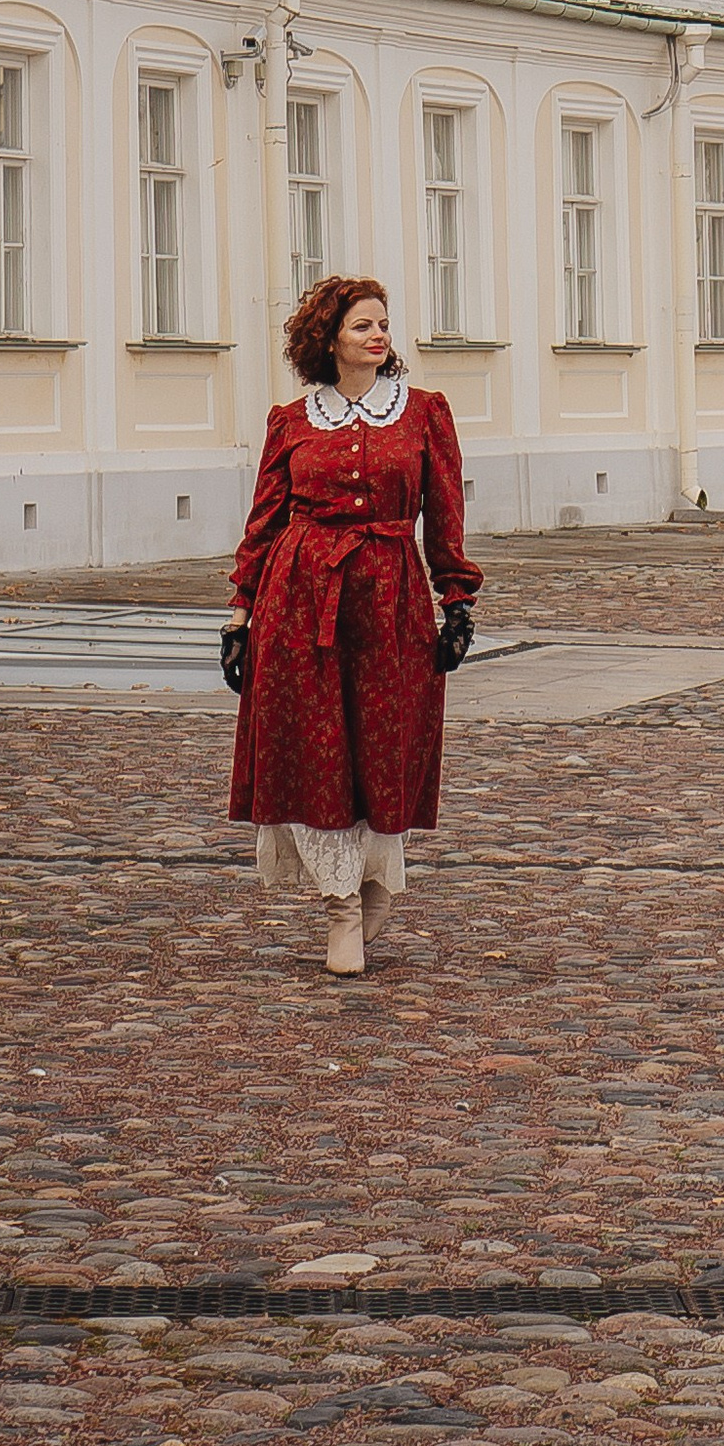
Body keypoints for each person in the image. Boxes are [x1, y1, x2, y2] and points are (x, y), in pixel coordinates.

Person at [223, 273, 482, 978]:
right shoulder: (293, 420)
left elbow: (446, 513)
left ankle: (374, 885)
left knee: (384, 745)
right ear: (329, 338)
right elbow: (263, 522)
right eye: (363, 325)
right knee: (315, 751)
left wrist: (456, 600)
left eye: (383, 324)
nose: (379, 335)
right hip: (300, 596)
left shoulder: (424, 413)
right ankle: (340, 906)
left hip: (391, 596)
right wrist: (240, 616)